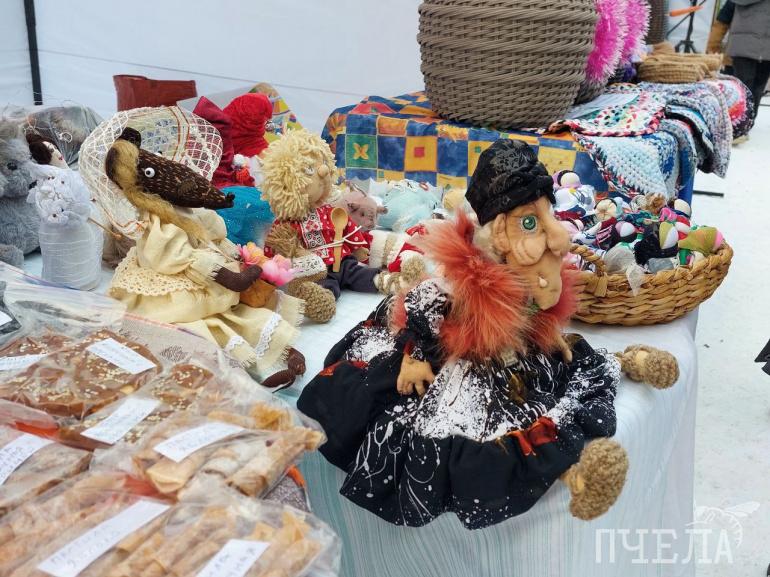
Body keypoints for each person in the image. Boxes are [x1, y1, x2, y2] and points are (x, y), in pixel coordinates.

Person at [728, 0, 770, 119]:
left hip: (766, 47)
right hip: (744, 44)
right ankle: (739, 120)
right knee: (743, 87)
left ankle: (748, 121)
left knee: (758, 86)